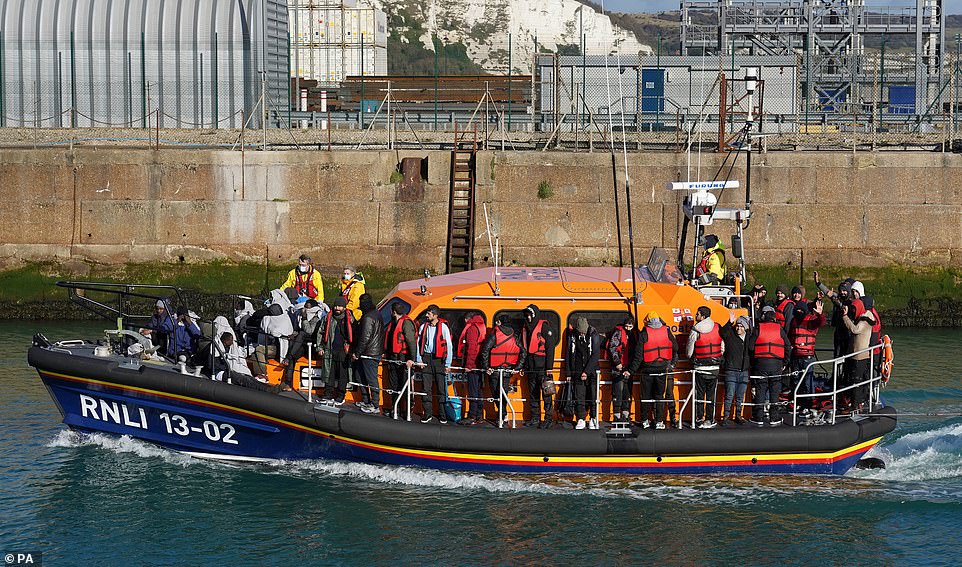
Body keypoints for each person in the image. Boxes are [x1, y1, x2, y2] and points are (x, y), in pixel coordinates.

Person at [627, 311, 678, 429]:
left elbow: (638, 356)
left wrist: (631, 371)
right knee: (659, 396)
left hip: (647, 369)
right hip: (662, 368)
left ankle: (645, 420)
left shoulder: (644, 333)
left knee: (645, 396)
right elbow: (675, 347)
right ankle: (659, 421)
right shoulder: (666, 331)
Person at [747, 306, 791, 426]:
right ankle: (774, 418)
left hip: (761, 364)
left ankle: (758, 417)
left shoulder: (758, 328)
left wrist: (754, 360)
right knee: (774, 392)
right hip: (776, 364)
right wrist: (785, 362)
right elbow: (788, 346)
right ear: (774, 319)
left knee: (760, 390)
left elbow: (750, 347)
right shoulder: (779, 329)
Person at [479, 317, 527, 424]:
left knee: (496, 393)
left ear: (500, 323)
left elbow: (485, 351)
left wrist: (486, 367)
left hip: (494, 370)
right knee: (503, 393)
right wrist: (517, 367)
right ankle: (503, 414)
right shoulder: (514, 336)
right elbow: (523, 352)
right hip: (508, 370)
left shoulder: (494, 335)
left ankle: (501, 415)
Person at [687, 306, 725, 428]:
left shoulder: (695, 330)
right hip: (714, 368)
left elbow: (689, 350)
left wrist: (690, 357)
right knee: (711, 396)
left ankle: (699, 419)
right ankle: (709, 419)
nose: (695, 315)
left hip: (699, 368)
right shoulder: (718, 327)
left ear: (702, 316)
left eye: (697, 314)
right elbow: (722, 347)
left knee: (699, 395)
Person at [415, 305, 453, 424]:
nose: (427, 315)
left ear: (435, 315)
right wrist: (419, 359)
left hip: (439, 360)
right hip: (426, 358)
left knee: (441, 389)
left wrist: (448, 364)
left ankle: (442, 415)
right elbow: (418, 343)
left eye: (429, 313)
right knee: (426, 388)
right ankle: (427, 414)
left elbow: (449, 345)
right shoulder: (423, 327)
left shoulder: (444, 328)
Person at [278, 299, 328, 389]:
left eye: (308, 307)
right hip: (303, 345)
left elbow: (309, 331)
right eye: (305, 307)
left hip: (313, 347)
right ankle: (288, 383)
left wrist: (304, 318)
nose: (305, 309)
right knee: (293, 356)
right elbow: (297, 329)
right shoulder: (300, 315)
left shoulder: (317, 317)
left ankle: (288, 356)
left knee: (302, 334)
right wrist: (293, 334)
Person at [522, 304, 558, 428]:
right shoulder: (526, 328)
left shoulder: (544, 328)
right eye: (527, 315)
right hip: (531, 367)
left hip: (543, 368)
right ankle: (535, 418)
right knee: (533, 394)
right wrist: (524, 366)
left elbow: (550, 348)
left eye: (530, 315)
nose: (528, 318)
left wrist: (549, 367)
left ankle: (548, 418)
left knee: (547, 394)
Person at [383, 302, 418, 419]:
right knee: (394, 385)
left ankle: (407, 411)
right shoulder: (393, 323)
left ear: (393, 312)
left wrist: (411, 359)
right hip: (393, 358)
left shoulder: (406, 323)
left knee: (405, 386)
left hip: (403, 359)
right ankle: (395, 409)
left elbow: (411, 342)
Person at [351, 294, 384, 414]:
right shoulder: (377, 314)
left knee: (371, 378)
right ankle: (366, 400)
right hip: (373, 351)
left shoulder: (368, 317)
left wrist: (357, 353)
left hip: (369, 352)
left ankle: (374, 404)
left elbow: (365, 337)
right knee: (361, 376)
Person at [788, 299, 825, 409]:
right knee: (795, 380)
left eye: (801, 310)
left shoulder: (811, 320)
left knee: (807, 381)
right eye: (797, 310)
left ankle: (808, 404)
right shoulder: (793, 321)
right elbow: (790, 336)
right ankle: (796, 402)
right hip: (795, 356)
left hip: (807, 357)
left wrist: (820, 314)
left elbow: (821, 322)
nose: (799, 312)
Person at [566, 317, 601, 430]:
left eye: (583, 332)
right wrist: (569, 372)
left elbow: (595, 355)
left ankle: (593, 418)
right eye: (580, 332)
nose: (582, 334)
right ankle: (581, 418)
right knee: (579, 396)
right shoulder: (572, 337)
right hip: (577, 370)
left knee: (593, 396)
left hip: (592, 372)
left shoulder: (594, 335)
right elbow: (568, 354)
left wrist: (586, 371)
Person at [841, 298, 876, 411]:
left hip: (860, 356)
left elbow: (855, 330)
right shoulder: (862, 318)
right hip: (855, 355)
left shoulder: (865, 320)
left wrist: (845, 317)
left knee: (856, 381)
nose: (853, 311)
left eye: (854, 309)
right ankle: (854, 402)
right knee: (854, 380)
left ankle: (855, 405)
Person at [320, 297, 354, 406]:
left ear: (344, 307)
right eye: (335, 306)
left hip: (344, 351)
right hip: (330, 349)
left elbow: (355, 334)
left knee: (342, 375)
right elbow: (321, 332)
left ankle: (340, 396)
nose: (337, 308)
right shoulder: (328, 318)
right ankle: (328, 395)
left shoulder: (350, 319)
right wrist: (320, 347)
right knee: (329, 374)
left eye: (339, 306)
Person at [719, 314, 751, 425]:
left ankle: (738, 415)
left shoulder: (749, 336)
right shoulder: (730, 334)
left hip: (744, 370)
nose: (738, 328)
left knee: (740, 396)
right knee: (729, 395)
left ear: (745, 327)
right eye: (737, 325)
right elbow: (722, 332)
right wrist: (730, 322)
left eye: (741, 326)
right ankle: (726, 417)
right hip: (731, 369)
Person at [456, 312, 487, 425]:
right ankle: (479, 414)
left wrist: (468, 365)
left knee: (473, 390)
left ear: (467, 319)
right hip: (479, 363)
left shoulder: (472, 328)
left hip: (473, 365)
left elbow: (472, 348)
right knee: (478, 390)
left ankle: (472, 415)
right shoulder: (481, 326)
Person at [607, 315, 637, 423]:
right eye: (627, 326)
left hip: (628, 366)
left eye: (630, 326)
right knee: (617, 391)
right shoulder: (618, 332)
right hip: (618, 366)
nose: (628, 328)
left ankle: (625, 413)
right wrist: (617, 362)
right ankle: (616, 414)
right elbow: (612, 347)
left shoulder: (634, 335)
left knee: (627, 391)